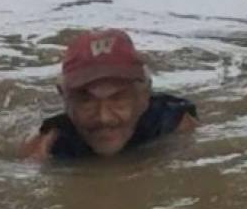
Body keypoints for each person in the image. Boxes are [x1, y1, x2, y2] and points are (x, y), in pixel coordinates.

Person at [21, 29, 198, 161]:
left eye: (118, 98)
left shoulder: (172, 123)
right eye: (86, 100)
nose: (103, 117)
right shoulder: (49, 145)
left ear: (144, 96)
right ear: (64, 98)